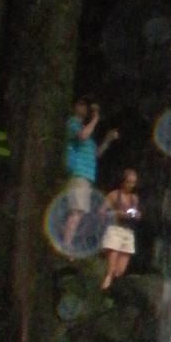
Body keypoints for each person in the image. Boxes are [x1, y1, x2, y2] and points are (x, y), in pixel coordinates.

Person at [62, 95, 118, 249]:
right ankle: (66, 244)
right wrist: (95, 119)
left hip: (86, 176)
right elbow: (82, 136)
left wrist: (107, 140)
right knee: (76, 211)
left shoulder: (87, 132)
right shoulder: (73, 123)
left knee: (79, 211)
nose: (84, 108)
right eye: (81, 104)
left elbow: (96, 154)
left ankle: (68, 241)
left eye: (86, 106)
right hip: (78, 173)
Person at [100, 168, 141, 289]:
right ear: (122, 182)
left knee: (120, 271)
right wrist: (117, 213)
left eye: (133, 182)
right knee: (111, 269)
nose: (131, 185)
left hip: (128, 233)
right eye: (129, 182)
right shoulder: (114, 195)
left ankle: (110, 290)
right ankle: (104, 288)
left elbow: (136, 214)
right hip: (115, 230)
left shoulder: (134, 198)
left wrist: (137, 215)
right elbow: (102, 212)